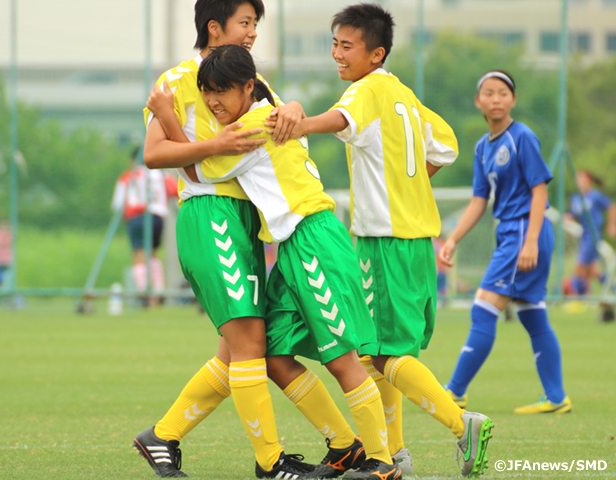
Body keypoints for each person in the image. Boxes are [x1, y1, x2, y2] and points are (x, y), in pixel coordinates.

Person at [133, 1, 365, 478]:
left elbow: (282, 119)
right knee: (250, 343)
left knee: (241, 350)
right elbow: (155, 152)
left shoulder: (250, 80)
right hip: (210, 212)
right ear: (214, 27)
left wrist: (295, 106)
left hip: (246, 220)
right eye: (246, 23)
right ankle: (272, 463)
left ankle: (163, 436)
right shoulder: (176, 81)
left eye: (256, 24)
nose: (253, 32)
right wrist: (215, 144)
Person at [266, 4, 493, 477]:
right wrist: (408, 186)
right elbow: (446, 145)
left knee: (385, 353)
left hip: (383, 241)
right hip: (412, 239)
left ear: (376, 53)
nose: (337, 54)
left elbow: (339, 119)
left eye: (347, 46)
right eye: (335, 44)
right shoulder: (405, 95)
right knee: (375, 349)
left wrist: (299, 125)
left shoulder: (366, 90)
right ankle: (395, 453)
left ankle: (461, 423)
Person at [180, 43, 402, 480]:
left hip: (313, 238)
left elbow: (194, 172)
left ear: (247, 87)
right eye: (206, 91)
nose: (212, 101)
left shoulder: (253, 125)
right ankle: (343, 447)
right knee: (275, 353)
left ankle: (382, 462)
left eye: (221, 90)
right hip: (292, 246)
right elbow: (281, 107)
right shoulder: (271, 105)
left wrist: (168, 121)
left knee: (342, 359)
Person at [436, 70, 572, 415]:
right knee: (531, 313)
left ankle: (454, 391)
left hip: (526, 231)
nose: (496, 99)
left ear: (512, 99)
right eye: (489, 93)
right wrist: (452, 238)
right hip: (512, 233)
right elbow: (480, 199)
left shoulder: (522, 137)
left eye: (503, 93)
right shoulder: (483, 147)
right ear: (478, 101)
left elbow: (539, 189)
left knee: (483, 306)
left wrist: (530, 242)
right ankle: (556, 398)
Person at [111, 146, 175, 306]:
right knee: (153, 254)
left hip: (137, 216)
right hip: (157, 216)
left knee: (139, 254)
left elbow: (117, 204)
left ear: (133, 160)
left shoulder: (128, 177)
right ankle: (158, 289)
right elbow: (176, 190)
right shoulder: (162, 175)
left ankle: (143, 292)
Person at [565, 169, 616, 296]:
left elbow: (611, 207)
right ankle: (612, 289)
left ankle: (577, 296)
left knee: (580, 266)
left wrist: (612, 225)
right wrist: (567, 218)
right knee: (594, 270)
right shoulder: (576, 198)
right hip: (583, 235)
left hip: (593, 235)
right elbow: (571, 213)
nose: (579, 182)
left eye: (581, 179)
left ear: (588, 181)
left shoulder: (595, 196)